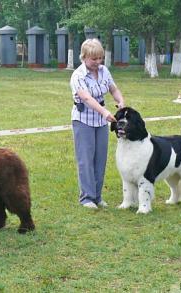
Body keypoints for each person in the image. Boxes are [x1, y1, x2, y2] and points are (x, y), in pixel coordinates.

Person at [69, 38, 125, 209]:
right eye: (94, 59)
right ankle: (86, 197)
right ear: (84, 57)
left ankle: (97, 196)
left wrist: (121, 101)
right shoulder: (78, 76)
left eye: (100, 58)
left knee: (100, 159)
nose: (98, 62)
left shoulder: (104, 71)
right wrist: (105, 112)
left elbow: (113, 88)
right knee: (86, 159)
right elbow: (86, 98)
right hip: (83, 119)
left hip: (101, 120)